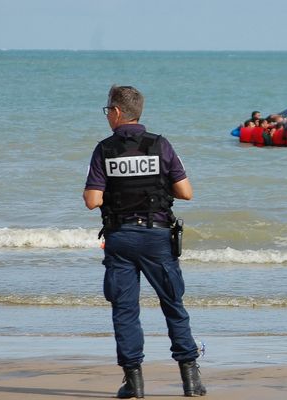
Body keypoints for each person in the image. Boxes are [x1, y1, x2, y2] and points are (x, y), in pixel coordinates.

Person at [83, 85, 206, 398]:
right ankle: (190, 380)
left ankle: (133, 384)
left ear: (117, 112)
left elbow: (92, 200)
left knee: (125, 311)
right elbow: (186, 192)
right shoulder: (160, 145)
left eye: (107, 110)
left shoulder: (104, 149)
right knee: (173, 305)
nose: (107, 116)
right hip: (157, 237)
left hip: (121, 238)